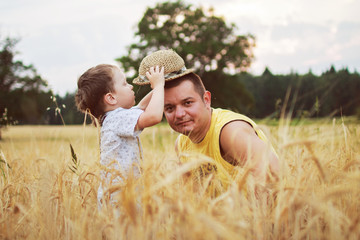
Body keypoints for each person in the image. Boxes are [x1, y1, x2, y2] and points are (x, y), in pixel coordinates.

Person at [133, 49, 279, 195]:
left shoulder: (230, 132)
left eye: (188, 103)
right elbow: (192, 199)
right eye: (169, 108)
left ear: (206, 100)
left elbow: (275, 176)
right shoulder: (182, 144)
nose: (179, 114)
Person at [75, 64, 165, 205]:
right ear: (111, 98)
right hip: (121, 198)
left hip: (120, 194)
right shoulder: (117, 119)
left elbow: (142, 107)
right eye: (124, 83)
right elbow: (153, 116)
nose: (130, 86)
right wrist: (159, 85)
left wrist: (161, 85)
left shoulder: (114, 117)